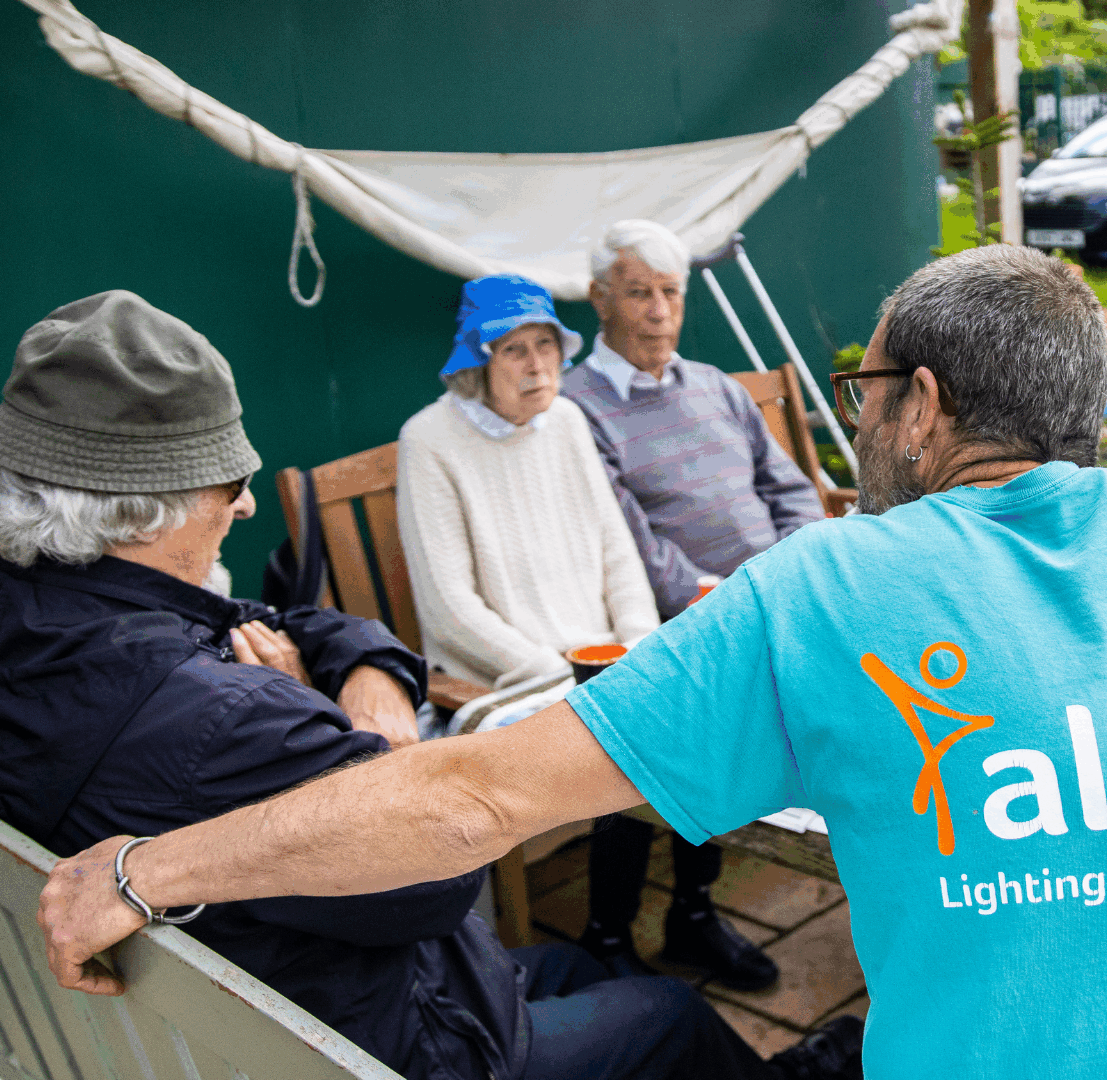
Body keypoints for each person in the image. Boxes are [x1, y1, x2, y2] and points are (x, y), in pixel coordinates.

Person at [41, 247, 1107, 1079]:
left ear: (922, 406)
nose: (857, 413)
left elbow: (473, 798)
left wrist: (144, 872)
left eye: (865, 386)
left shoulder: (832, 588)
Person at [3, 290, 857, 1080]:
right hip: (381, 1039)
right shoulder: (223, 715)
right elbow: (436, 881)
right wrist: (361, 731)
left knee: (580, 964)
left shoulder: (63, 619)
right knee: (671, 1013)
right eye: (230, 484)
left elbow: (295, 623)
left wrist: (368, 669)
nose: (247, 508)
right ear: (148, 507)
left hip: (257, 1002)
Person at [560, 220, 824, 988]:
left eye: (669, 292)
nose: (657, 310)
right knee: (669, 718)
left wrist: (793, 572)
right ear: (601, 300)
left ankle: (693, 913)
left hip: (760, 602)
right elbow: (627, 537)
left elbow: (788, 489)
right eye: (638, 293)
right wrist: (726, 602)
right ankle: (606, 933)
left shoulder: (715, 386)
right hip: (654, 619)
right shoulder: (579, 409)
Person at [397, 274, 658, 715]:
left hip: (604, 669)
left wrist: (638, 644)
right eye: (514, 350)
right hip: (509, 683)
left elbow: (617, 551)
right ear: (478, 362)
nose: (537, 365)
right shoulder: (427, 440)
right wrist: (557, 674)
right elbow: (449, 610)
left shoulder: (567, 419)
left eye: (545, 344)